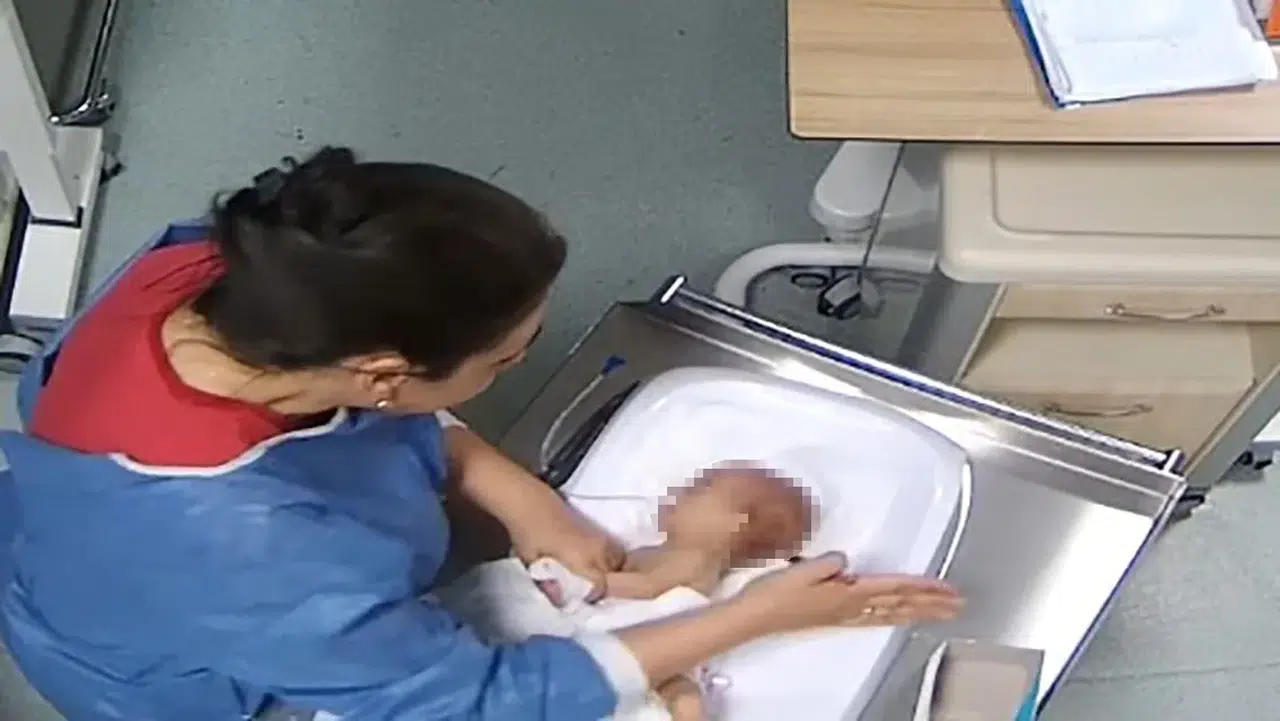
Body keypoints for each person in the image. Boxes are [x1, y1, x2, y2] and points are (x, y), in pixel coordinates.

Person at [0, 146, 963, 721]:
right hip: (190, 675)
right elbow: (474, 702)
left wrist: (517, 491)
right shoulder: (249, 551)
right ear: (383, 370)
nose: (513, 368)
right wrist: (757, 616)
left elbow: (346, 423)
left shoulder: (224, 278)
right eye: (504, 360)